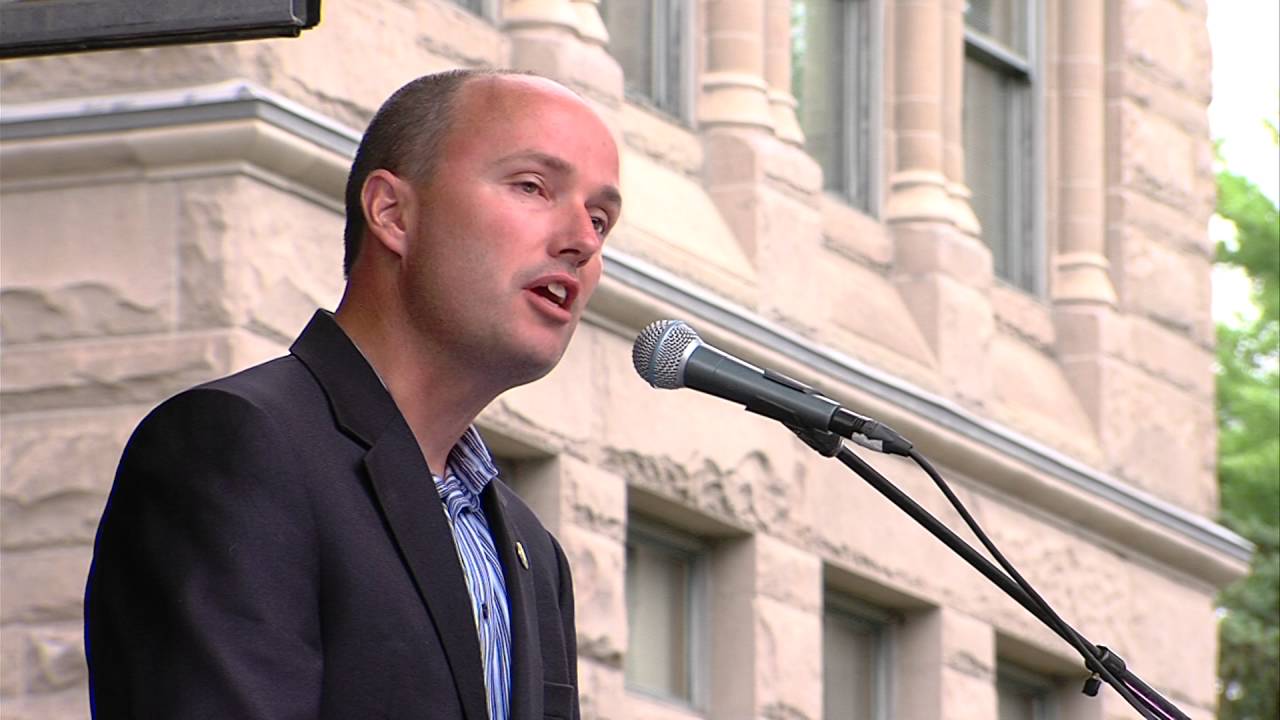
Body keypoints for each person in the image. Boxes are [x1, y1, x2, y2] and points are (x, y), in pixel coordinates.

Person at [84, 68, 622, 720]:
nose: (582, 241)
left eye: (599, 218)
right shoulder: (237, 446)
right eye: (533, 187)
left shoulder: (531, 549)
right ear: (393, 213)